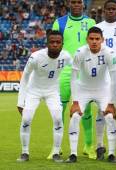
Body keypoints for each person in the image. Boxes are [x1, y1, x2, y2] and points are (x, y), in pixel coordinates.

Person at [65, 27, 116, 163]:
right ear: (87, 40)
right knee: (75, 117)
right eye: (91, 39)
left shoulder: (109, 53)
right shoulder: (80, 52)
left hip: (103, 90)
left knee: (109, 117)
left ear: (102, 40)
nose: (94, 42)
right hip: (83, 90)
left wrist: (111, 103)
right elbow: (73, 77)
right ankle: (73, 154)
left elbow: (114, 79)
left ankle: (111, 154)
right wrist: (75, 102)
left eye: (97, 39)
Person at [16, 30, 72, 162]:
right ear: (47, 43)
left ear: (62, 44)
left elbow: (76, 70)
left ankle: (56, 152)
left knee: (58, 119)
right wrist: (20, 101)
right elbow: (25, 77)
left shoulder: (66, 56)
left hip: (52, 91)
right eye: (52, 42)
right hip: (33, 91)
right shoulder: (36, 57)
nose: (55, 44)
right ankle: (24, 152)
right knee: (26, 119)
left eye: (58, 42)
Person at [52, 0, 96, 159]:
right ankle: (56, 147)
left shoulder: (90, 22)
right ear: (69, 4)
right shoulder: (59, 22)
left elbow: (94, 43)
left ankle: (89, 146)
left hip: (84, 71)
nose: (77, 4)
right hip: (64, 71)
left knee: (86, 110)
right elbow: (54, 45)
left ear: (83, 4)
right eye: (74, 2)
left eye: (79, 2)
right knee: (59, 110)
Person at [95, 0, 116, 159]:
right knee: (101, 111)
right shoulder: (97, 29)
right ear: (104, 11)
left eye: (113, 9)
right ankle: (99, 145)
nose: (110, 11)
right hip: (102, 76)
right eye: (108, 9)